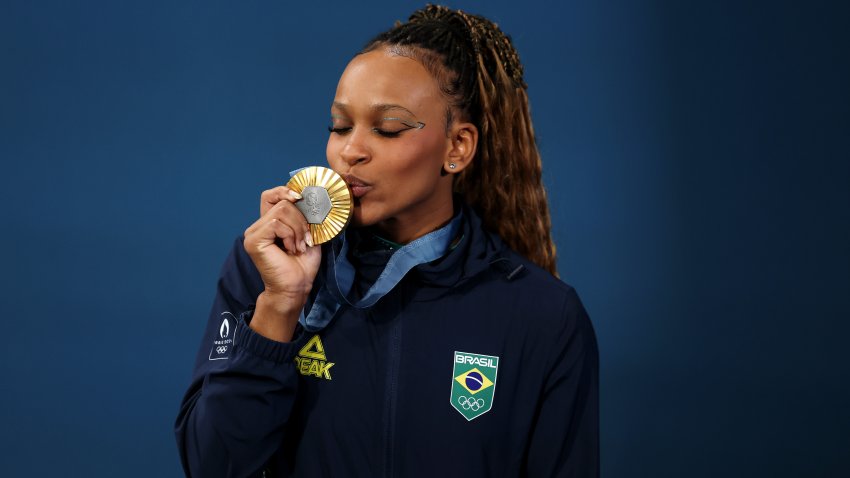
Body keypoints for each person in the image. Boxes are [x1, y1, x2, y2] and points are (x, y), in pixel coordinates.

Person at [175, 5, 598, 477]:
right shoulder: (264, 267)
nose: (350, 150)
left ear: (457, 147)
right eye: (339, 126)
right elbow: (211, 467)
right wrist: (279, 307)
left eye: (388, 128)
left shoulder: (542, 315)